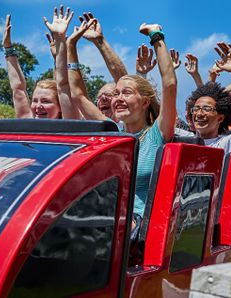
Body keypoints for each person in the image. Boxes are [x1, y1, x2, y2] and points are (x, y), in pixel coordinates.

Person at [66, 19, 177, 219]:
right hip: (106, 221)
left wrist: (156, 36)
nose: (118, 99)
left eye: (126, 93)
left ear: (144, 102)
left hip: (140, 227)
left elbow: (169, 83)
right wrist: (70, 46)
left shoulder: (157, 133)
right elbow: (78, 96)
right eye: (115, 94)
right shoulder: (114, 133)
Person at [4, 8, 79, 119]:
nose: (38, 106)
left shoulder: (69, 123)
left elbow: (63, 85)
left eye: (46, 101)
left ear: (60, 106)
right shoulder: (28, 122)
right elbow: (18, 89)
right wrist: (8, 47)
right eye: (34, 101)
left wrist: (60, 40)